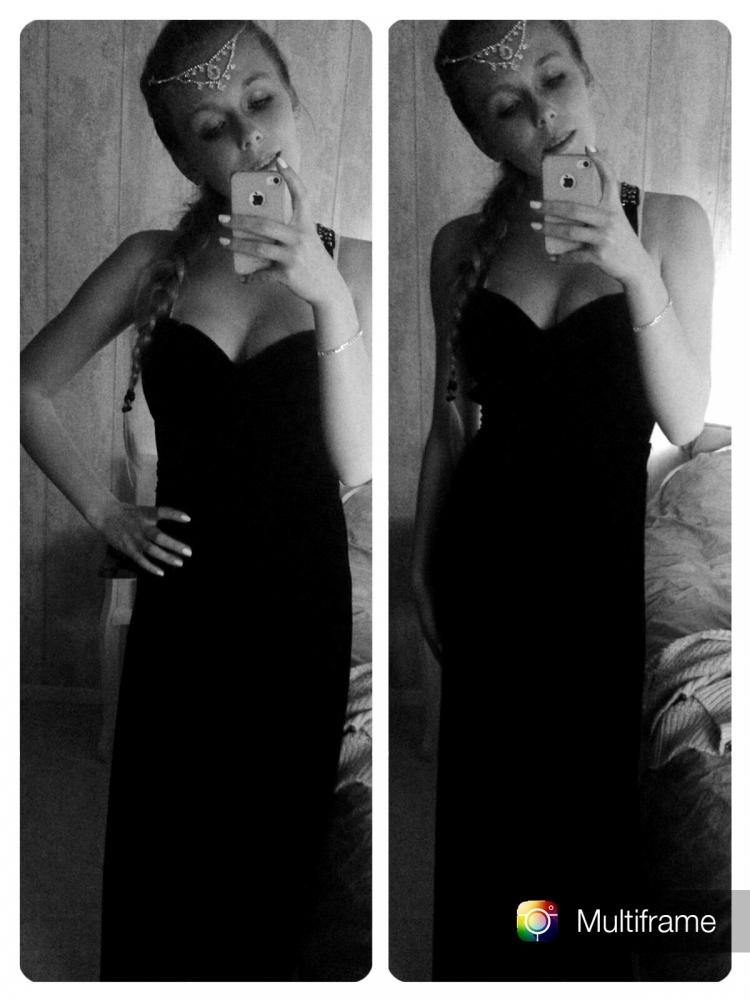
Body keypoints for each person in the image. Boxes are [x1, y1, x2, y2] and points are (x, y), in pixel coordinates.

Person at [20, 20, 371, 981]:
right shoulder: (149, 262)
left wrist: (327, 296)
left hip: (301, 603)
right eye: (212, 127)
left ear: (292, 102)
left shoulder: (356, 266)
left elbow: (354, 464)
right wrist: (105, 513)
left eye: (261, 101)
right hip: (187, 604)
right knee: (168, 841)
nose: (249, 136)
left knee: (274, 850)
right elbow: (25, 387)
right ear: (183, 155)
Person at [410, 20, 712, 981]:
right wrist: (420, 561)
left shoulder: (669, 223)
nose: (543, 114)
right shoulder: (460, 246)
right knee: (489, 810)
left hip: (595, 569)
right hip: (485, 560)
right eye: (508, 106)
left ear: (587, 76)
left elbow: (684, 416)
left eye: (554, 79)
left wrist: (629, 264)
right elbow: (448, 422)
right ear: (481, 133)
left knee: (581, 814)